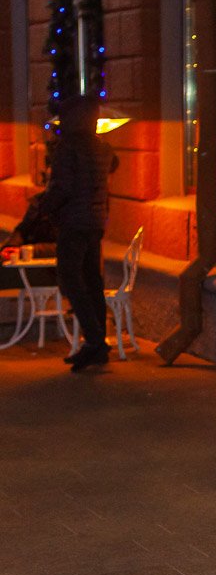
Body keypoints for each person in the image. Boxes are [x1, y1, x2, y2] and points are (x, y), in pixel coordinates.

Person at [39, 94, 117, 371]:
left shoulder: (68, 147)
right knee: (91, 280)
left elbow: (62, 188)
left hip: (74, 221)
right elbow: (111, 165)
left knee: (71, 279)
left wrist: (42, 207)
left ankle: (94, 340)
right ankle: (98, 344)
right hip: (95, 221)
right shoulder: (102, 147)